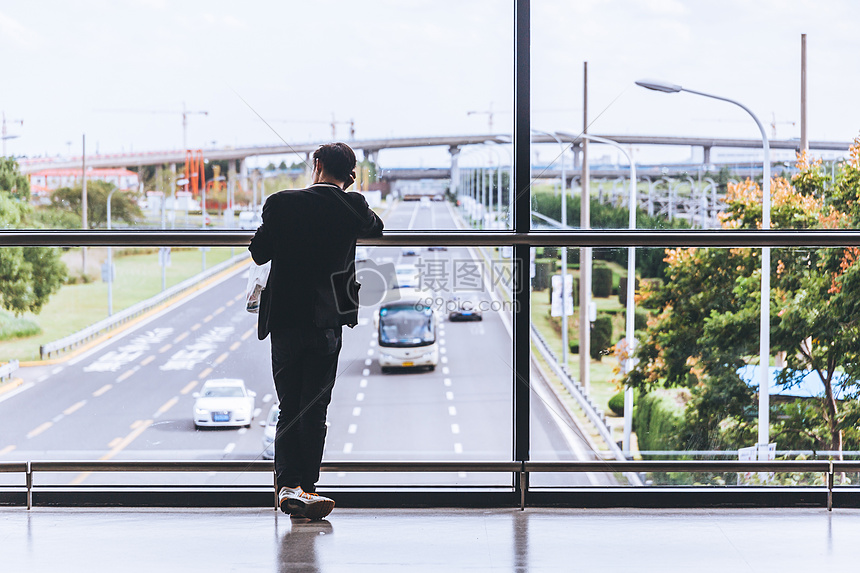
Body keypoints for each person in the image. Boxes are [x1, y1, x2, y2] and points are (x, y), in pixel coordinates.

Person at [249, 142, 383, 520]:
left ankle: (287, 486)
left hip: (286, 319)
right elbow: (377, 228)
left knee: (289, 404)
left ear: (318, 165)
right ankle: (306, 487)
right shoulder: (352, 206)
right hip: (327, 320)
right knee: (315, 406)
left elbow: (259, 252)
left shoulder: (281, 203)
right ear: (348, 174)